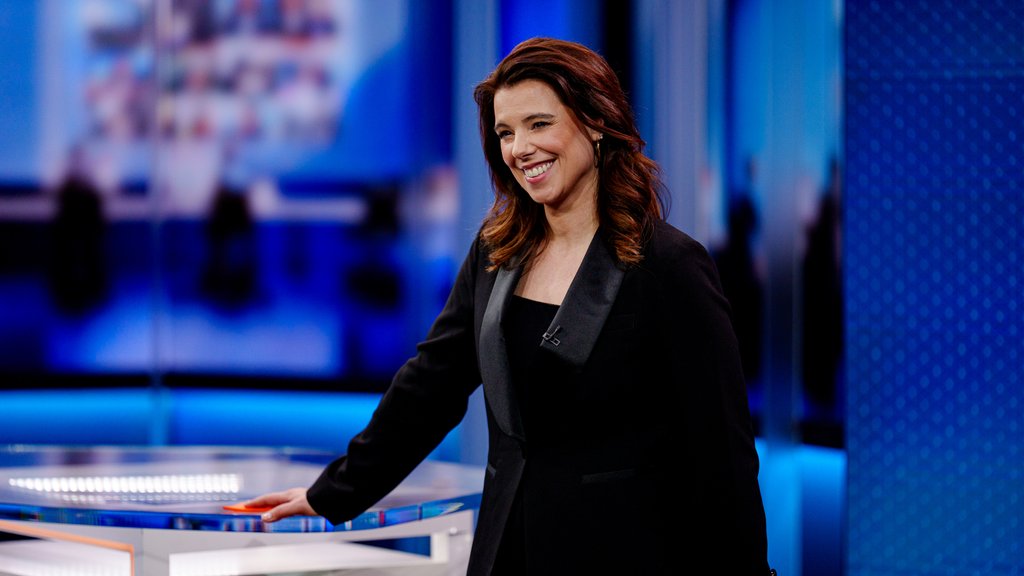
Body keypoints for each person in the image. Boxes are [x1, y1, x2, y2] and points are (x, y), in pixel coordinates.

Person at [246, 37, 770, 574]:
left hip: (623, 554)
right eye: (505, 132)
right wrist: (334, 492)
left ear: (595, 123)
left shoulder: (669, 265)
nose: (520, 148)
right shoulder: (498, 251)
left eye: (539, 124)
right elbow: (431, 384)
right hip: (506, 550)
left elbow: (722, 452)